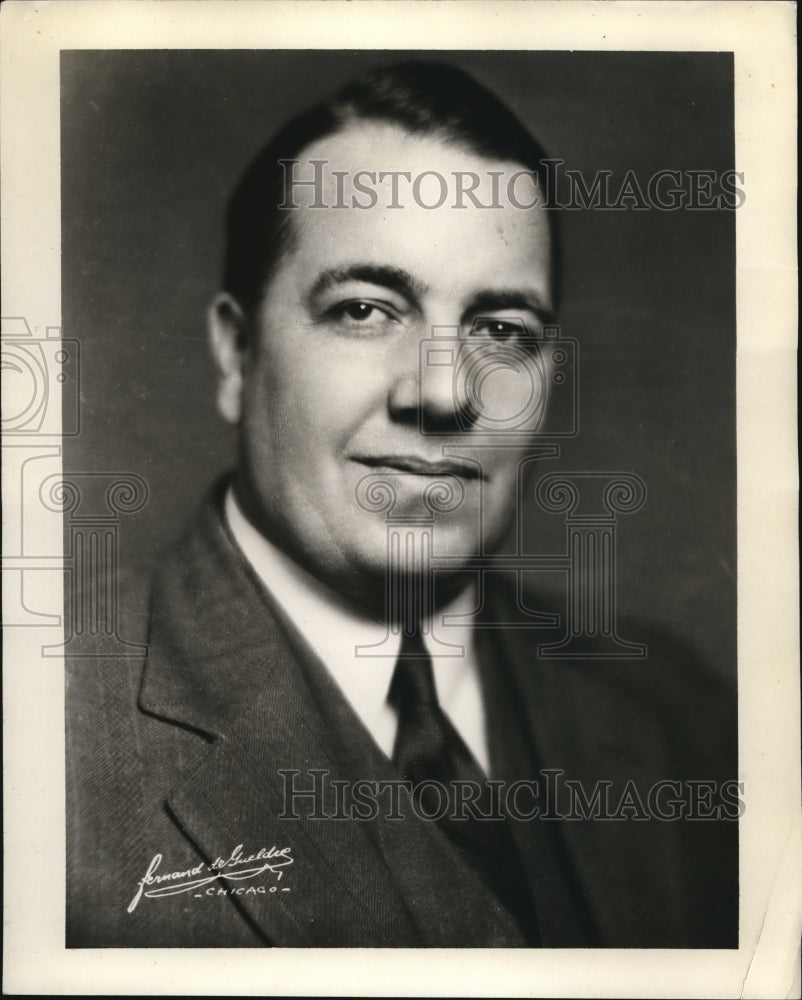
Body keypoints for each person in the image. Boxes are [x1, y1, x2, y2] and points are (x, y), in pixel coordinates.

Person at [66, 61, 737, 948]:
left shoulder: (682, 716)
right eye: (365, 310)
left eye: (503, 331)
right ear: (236, 355)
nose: (443, 390)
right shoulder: (50, 738)